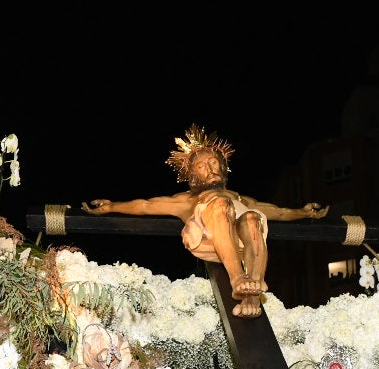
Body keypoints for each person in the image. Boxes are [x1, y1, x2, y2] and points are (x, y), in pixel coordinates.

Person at [82, 125, 329, 317]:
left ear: (223, 168)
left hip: (241, 241)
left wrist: (304, 212)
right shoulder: (188, 200)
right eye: (201, 166)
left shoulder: (241, 199)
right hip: (207, 238)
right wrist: (113, 206)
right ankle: (237, 279)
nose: (209, 168)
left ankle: (252, 290)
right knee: (220, 205)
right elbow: (146, 205)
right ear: (192, 175)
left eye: (213, 163)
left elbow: (279, 212)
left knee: (253, 217)